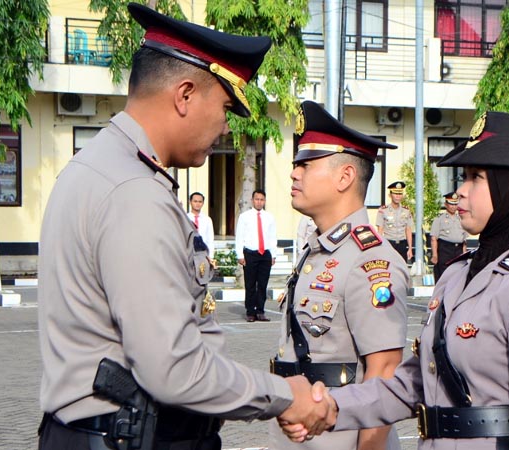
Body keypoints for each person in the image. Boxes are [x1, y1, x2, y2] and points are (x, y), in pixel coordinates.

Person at [37, 5, 333, 449]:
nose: (223, 127)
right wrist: (281, 396)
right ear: (185, 94)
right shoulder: (134, 193)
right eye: (224, 108)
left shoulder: (94, 168)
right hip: (129, 436)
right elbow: (173, 369)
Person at [283, 111, 509, 449]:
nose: (461, 192)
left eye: (475, 177)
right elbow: (414, 382)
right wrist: (335, 407)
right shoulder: (456, 276)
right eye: (463, 177)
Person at [269, 100, 409, 449]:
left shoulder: (372, 261)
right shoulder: (318, 251)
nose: (293, 172)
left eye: (306, 164)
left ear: (345, 177)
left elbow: (385, 373)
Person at [235, 189, 277, 322]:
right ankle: (250, 312)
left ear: (264, 201)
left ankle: (260, 311)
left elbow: (272, 236)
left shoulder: (269, 217)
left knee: (263, 284)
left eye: (262, 199)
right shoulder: (244, 216)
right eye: (257, 199)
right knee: (250, 284)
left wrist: (273, 255)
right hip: (250, 253)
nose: (259, 202)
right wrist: (240, 255)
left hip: (265, 254)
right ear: (253, 200)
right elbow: (239, 236)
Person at [430, 192, 468, 281]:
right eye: (451, 204)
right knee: (444, 276)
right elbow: (433, 238)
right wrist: (435, 255)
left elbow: (464, 240)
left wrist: (464, 254)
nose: (453, 206)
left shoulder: (461, 219)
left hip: (458, 250)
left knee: (458, 275)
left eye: (455, 204)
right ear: (446, 204)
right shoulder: (439, 219)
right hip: (445, 249)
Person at [376, 181, 414, 262]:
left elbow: (408, 230)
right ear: (390, 195)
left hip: (402, 244)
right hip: (389, 243)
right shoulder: (383, 210)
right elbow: (380, 230)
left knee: (401, 268)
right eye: (395, 194)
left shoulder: (406, 211)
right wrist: (379, 248)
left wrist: (410, 248)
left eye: (400, 194)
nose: (398, 196)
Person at [188, 191, 216, 265]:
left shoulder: (207, 219)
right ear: (190, 202)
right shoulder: (185, 218)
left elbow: (210, 239)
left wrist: (211, 256)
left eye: (200, 202)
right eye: (195, 201)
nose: (197, 204)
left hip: (202, 253)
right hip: (188, 252)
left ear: (203, 203)